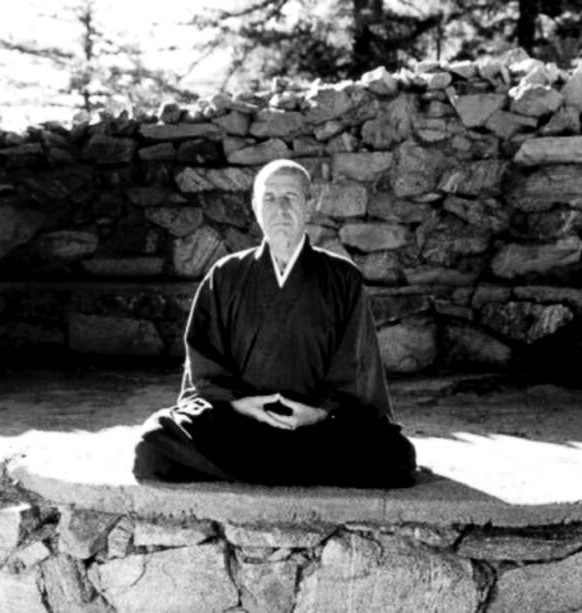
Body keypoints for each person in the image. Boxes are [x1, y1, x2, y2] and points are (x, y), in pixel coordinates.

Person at [132, 159, 417, 488]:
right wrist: (241, 404)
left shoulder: (342, 277)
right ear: (255, 207)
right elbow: (204, 363)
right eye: (269, 198)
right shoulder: (226, 274)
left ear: (308, 206)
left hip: (316, 427)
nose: (280, 209)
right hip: (242, 423)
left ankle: (258, 469)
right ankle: (299, 471)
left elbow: (355, 367)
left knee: (394, 454)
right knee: (153, 443)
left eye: (291, 197)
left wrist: (318, 412)